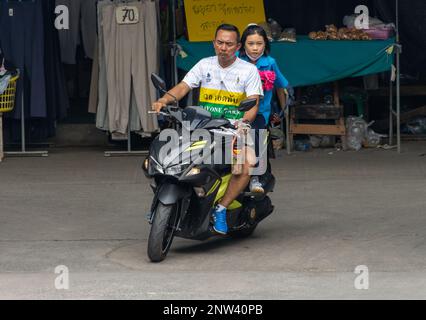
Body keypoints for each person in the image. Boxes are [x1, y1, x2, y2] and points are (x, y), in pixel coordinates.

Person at [151, 24, 263, 235]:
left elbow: (253, 103)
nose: (223, 48)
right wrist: (164, 100)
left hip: (233, 129)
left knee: (247, 164)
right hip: (201, 126)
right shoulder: (204, 65)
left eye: (229, 44)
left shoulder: (249, 71)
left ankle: (220, 209)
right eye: (219, 43)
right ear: (214, 43)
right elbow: (184, 87)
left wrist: (243, 121)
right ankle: (162, 203)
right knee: (170, 156)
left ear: (237, 46)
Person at [239, 24, 289, 193]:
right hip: (236, 111)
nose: (254, 48)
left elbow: (281, 86)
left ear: (265, 45)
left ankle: (255, 178)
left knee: (256, 140)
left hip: (261, 112)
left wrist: (282, 111)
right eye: (250, 43)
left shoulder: (270, 63)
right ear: (242, 45)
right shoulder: (237, 63)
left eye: (259, 44)